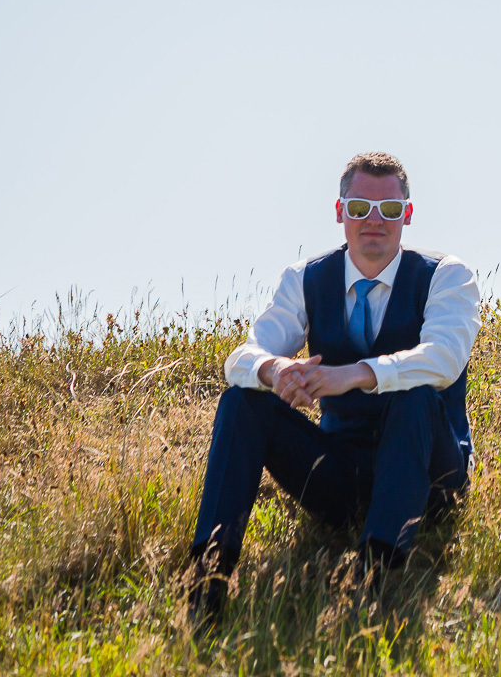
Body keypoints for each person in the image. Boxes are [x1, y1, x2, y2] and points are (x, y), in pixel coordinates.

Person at [185, 152, 480, 622]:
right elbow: (242, 358)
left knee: (418, 391)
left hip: (429, 477)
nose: (373, 222)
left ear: (407, 214)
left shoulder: (446, 276)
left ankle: (373, 576)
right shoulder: (305, 279)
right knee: (243, 400)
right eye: (360, 208)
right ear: (340, 212)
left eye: (388, 210)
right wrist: (276, 372)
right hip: (341, 473)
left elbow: (443, 359)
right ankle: (208, 580)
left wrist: (353, 375)